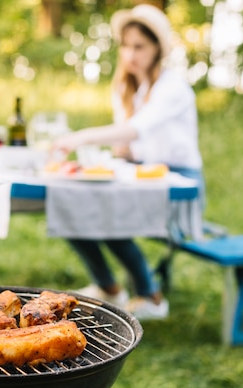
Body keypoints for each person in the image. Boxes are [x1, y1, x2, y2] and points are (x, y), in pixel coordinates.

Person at [53, 4, 204, 320]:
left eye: (139, 46)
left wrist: (79, 138)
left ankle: (150, 296)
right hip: (145, 178)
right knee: (70, 203)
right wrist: (123, 154)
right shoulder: (132, 88)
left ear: (157, 49)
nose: (130, 53)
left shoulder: (172, 86)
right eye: (125, 45)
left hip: (179, 186)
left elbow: (135, 130)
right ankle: (109, 287)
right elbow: (132, 146)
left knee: (108, 215)